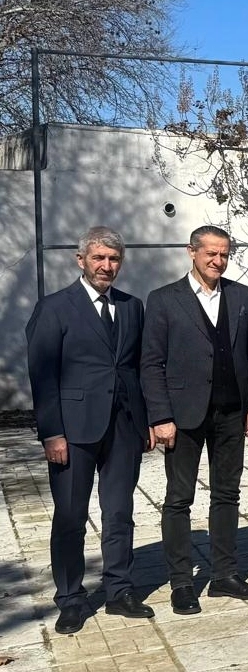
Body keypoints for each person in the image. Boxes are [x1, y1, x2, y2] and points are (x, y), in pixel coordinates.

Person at [27, 226, 153, 634]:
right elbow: (42, 375)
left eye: (114, 259)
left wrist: (146, 421)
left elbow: (137, 368)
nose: (106, 266)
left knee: (119, 513)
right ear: (80, 260)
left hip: (123, 428)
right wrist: (52, 433)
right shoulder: (54, 307)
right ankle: (70, 598)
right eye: (98, 258)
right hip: (73, 430)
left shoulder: (131, 307)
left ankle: (120, 590)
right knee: (70, 516)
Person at [141, 225, 248, 615]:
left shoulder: (242, 296)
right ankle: (181, 583)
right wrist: (161, 415)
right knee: (179, 498)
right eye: (211, 253)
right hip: (184, 416)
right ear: (191, 252)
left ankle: (224, 575)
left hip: (231, 413)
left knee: (227, 494)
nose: (218, 260)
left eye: (224, 254)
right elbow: (151, 363)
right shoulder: (164, 300)